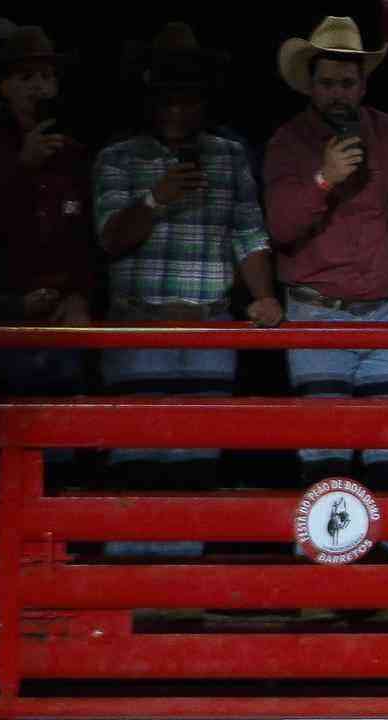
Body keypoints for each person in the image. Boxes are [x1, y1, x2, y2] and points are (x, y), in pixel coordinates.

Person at [94, 24, 279, 558]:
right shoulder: (119, 158)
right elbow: (109, 240)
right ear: (150, 99)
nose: (178, 109)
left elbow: (248, 232)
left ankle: (180, 593)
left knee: (195, 466)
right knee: (137, 464)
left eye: (188, 98)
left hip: (208, 326)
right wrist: (155, 199)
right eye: (167, 98)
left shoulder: (229, 156)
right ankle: (130, 589)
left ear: (202, 99)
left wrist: (263, 296)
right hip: (139, 328)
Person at [267, 16, 388, 555]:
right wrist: (324, 179)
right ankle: (325, 571)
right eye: (327, 83)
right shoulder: (289, 141)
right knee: (324, 451)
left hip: (386, 310)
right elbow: (280, 227)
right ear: (310, 85)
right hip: (317, 311)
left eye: (347, 83)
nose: (337, 93)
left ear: (362, 84)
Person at [0, 25, 93, 427]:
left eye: (46, 76)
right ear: (3, 86)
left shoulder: (74, 155)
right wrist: (22, 167)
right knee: (1, 430)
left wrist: (78, 295)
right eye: (26, 78)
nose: (38, 88)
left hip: (60, 319)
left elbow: (85, 239)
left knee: (60, 434)